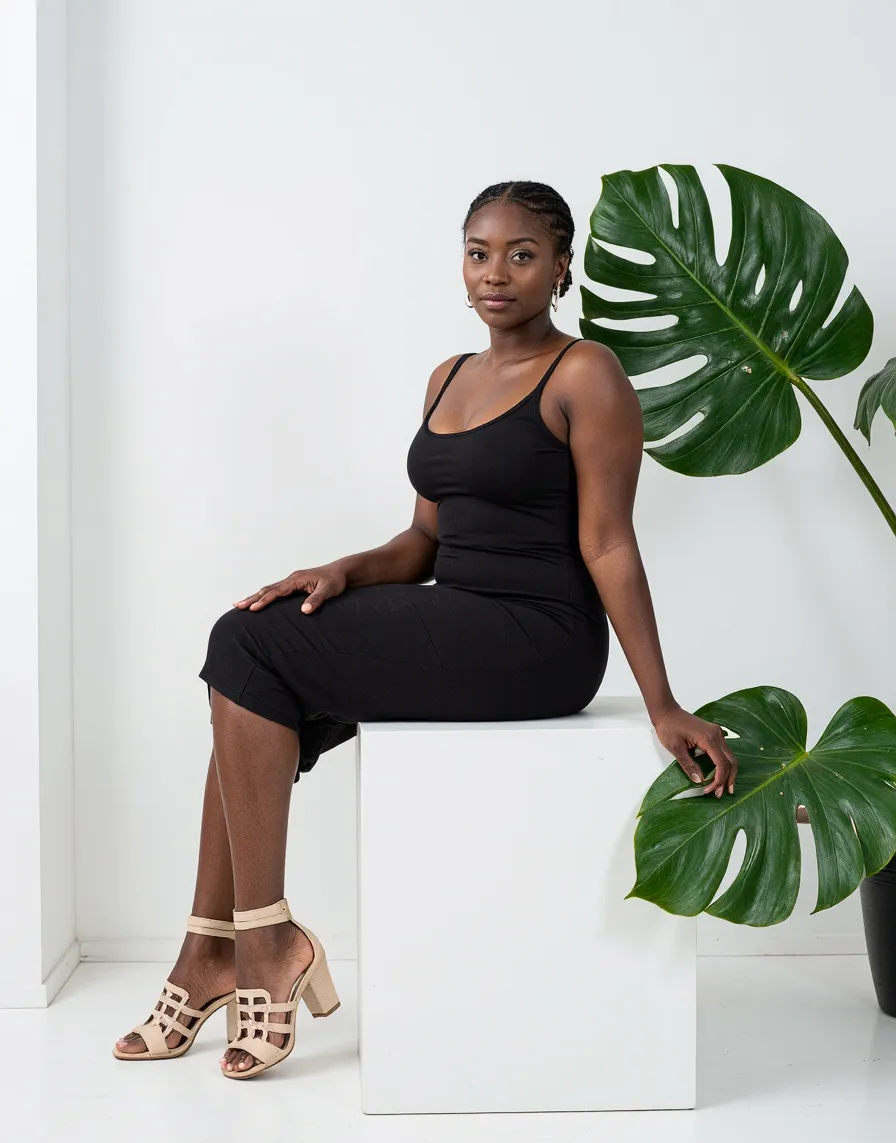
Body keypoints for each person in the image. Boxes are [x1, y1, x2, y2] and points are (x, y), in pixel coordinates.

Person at [113, 180, 739, 1079]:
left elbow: (607, 543)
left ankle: (259, 950)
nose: (496, 273)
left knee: (244, 645)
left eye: (522, 254)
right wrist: (340, 572)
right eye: (479, 252)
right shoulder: (446, 378)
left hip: (538, 639)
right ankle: (210, 951)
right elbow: (423, 541)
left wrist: (663, 702)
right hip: (457, 617)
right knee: (250, 660)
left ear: (562, 268)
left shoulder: (585, 374)